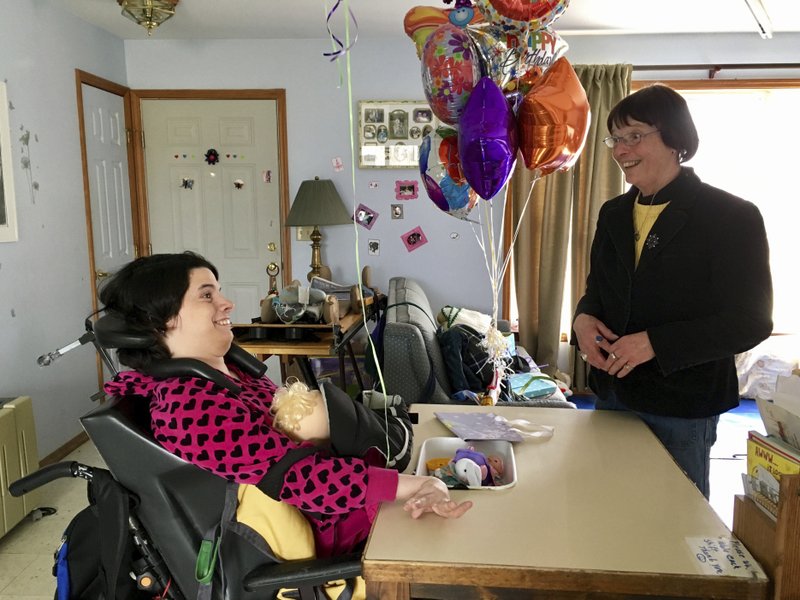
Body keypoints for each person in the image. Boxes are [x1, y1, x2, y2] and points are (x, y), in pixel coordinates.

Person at [100, 252, 472, 559]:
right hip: (335, 530)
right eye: (206, 295)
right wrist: (410, 486)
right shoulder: (189, 406)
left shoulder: (228, 372)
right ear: (161, 322)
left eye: (220, 291)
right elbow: (298, 477)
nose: (227, 303)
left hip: (348, 501)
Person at [572, 84, 773, 498]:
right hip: (613, 394)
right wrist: (582, 318)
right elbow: (599, 288)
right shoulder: (613, 213)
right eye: (616, 138)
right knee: (608, 508)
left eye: (635, 136)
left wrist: (655, 344)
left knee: (673, 523)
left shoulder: (730, 216)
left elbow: (750, 321)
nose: (620, 150)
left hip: (683, 403)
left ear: (676, 139)